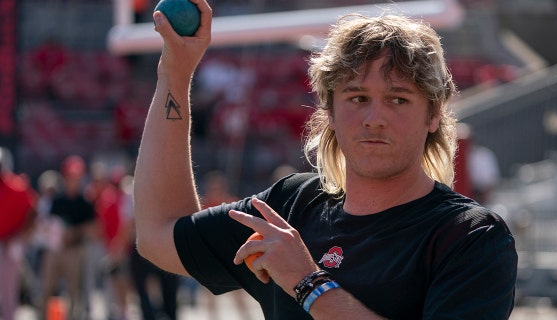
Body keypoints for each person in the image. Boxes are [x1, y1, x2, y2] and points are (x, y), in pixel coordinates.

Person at [133, 2, 518, 319]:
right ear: (329, 111)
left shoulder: (471, 236)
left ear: (433, 114)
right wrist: (176, 72)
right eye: (357, 98)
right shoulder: (290, 207)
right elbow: (158, 235)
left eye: (398, 99)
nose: (374, 118)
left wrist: (308, 282)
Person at [39, 155, 96, 320]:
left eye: (76, 177)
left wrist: (75, 232)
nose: (73, 180)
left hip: (74, 250)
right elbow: (48, 223)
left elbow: (93, 229)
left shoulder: (85, 202)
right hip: (55, 250)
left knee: (73, 291)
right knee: (46, 288)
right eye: (70, 176)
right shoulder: (57, 200)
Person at [0, 147, 37, 320]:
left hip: (11, 243)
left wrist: (18, 235)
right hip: (6, 241)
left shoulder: (17, 186)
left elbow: (32, 212)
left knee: (8, 290)